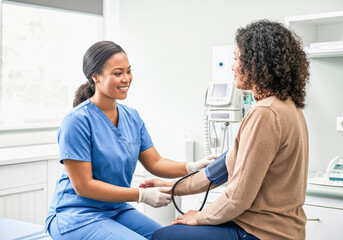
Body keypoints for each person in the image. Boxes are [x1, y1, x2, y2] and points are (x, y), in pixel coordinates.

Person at [144, 20, 310, 240]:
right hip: (277, 228)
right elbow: (217, 172)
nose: (233, 67)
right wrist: (170, 187)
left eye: (236, 59)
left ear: (256, 63)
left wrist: (200, 216)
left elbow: (239, 196)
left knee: (163, 236)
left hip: (263, 233)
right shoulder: (287, 107)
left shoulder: (265, 114)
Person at [45, 40, 216, 240]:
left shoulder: (131, 117)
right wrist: (140, 195)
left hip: (115, 210)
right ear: (96, 77)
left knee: (169, 237)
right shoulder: (77, 122)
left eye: (128, 71)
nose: (126, 79)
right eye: (118, 73)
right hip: (76, 216)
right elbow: (84, 186)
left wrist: (193, 166)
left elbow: (155, 162)